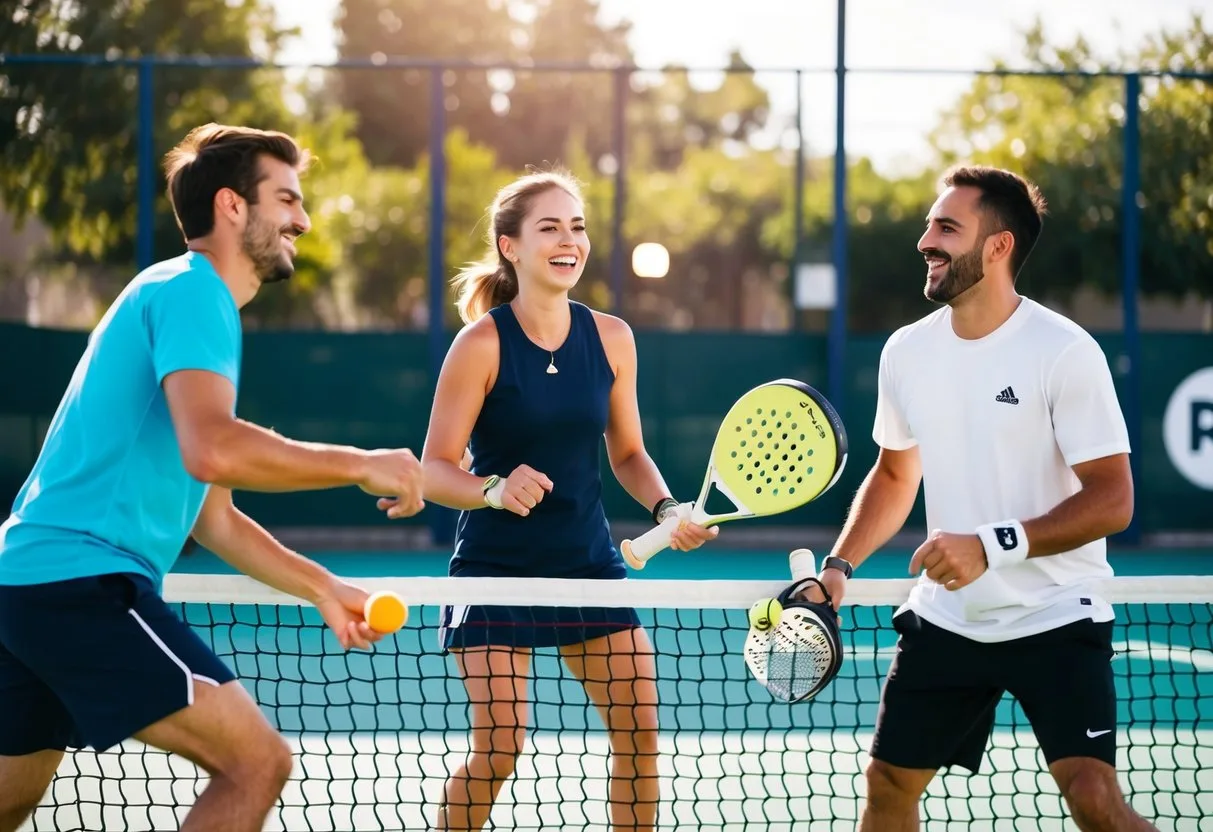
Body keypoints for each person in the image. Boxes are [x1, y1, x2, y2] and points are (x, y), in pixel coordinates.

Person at [0, 123, 426, 832]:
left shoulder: (174, 294)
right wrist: (362, 464)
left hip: (25, 586)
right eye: (286, 199)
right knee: (257, 763)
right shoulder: (195, 292)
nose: (303, 219)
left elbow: (214, 515)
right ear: (232, 206)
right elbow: (214, 450)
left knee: (9, 801)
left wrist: (323, 587)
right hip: (80, 586)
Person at [804, 165, 1156, 832]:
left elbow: (1112, 499)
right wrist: (837, 567)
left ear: (996, 247)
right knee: (886, 788)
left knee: (1090, 796)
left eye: (945, 228)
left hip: (1056, 614)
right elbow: (893, 474)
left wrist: (991, 545)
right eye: (929, 225)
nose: (923, 242)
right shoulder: (905, 351)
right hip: (949, 620)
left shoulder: (1063, 351)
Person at [419, 168, 717, 832]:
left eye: (576, 227)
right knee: (499, 750)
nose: (568, 240)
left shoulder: (612, 338)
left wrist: (667, 509)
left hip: (587, 567)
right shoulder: (480, 345)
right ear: (509, 246)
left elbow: (629, 454)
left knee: (639, 738)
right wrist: (492, 489)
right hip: (494, 574)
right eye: (548, 227)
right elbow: (433, 471)